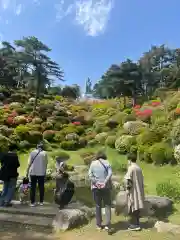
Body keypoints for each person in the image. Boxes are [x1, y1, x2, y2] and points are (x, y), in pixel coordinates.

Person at [88, 151, 112, 232]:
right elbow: (110, 173)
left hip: (95, 187)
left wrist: (96, 182)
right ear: (104, 156)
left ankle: (98, 225)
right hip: (106, 187)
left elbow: (90, 175)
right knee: (107, 205)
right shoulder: (107, 162)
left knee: (98, 205)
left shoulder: (93, 163)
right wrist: (104, 182)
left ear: (97, 156)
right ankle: (107, 225)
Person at [124, 153, 145, 231]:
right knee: (137, 206)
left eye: (128, 160)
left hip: (133, 190)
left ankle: (134, 225)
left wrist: (127, 190)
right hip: (139, 190)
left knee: (133, 206)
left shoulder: (131, 168)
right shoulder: (138, 168)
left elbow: (129, 180)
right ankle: (137, 224)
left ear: (129, 160)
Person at [26, 142, 48, 207]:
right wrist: (45, 172)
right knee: (41, 187)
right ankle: (41, 202)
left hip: (33, 172)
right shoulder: (45, 153)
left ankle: (32, 202)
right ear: (42, 147)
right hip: (41, 173)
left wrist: (27, 171)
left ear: (37, 146)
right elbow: (46, 163)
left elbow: (29, 163)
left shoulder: (32, 152)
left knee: (33, 187)